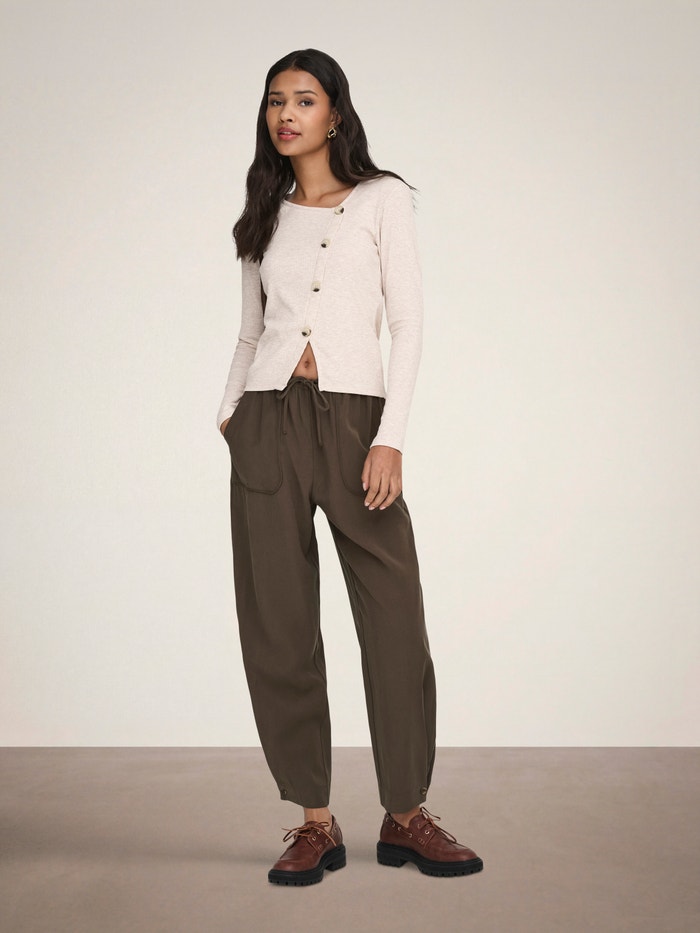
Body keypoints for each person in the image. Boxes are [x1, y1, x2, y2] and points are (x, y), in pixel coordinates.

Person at [217, 48, 483, 885]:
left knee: (394, 615)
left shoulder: (382, 199)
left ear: (335, 113)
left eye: (304, 99)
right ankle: (314, 821)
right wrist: (230, 415)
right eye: (275, 101)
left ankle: (406, 813)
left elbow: (408, 320)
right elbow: (251, 331)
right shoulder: (264, 214)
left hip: (357, 421)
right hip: (267, 421)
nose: (286, 114)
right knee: (280, 623)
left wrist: (390, 435)